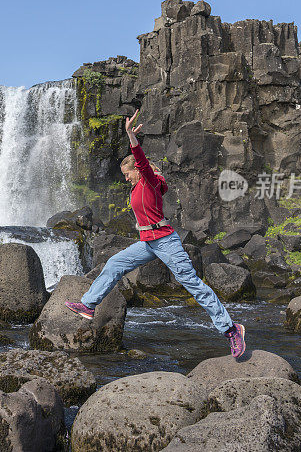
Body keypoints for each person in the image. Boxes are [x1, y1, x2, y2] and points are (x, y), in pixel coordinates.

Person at [65, 109, 246, 358]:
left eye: (127, 174)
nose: (126, 179)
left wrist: (130, 136)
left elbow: (140, 159)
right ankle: (88, 305)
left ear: (137, 170)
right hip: (147, 243)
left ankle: (231, 329)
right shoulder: (136, 188)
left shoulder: (149, 182)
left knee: (191, 283)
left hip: (165, 241)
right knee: (115, 263)